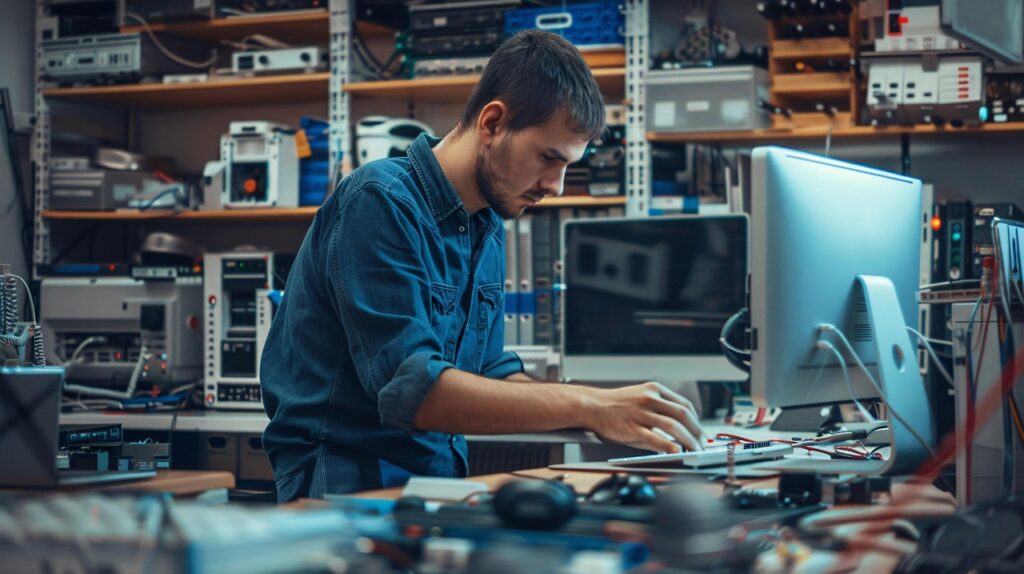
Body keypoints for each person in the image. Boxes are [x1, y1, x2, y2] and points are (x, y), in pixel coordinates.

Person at [261, 30, 704, 501]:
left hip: (433, 477)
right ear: (492, 123)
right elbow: (416, 393)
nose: (556, 185)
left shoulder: (485, 221)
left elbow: (489, 370)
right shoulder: (380, 201)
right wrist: (590, 405)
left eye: (568, 165)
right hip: (346, 479)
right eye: (548, 158)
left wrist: (615, 408)